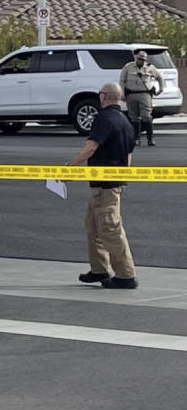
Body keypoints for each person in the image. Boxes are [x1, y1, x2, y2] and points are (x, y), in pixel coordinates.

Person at [68, 82, 137, 289]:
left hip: (106, 187)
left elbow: (91, 147)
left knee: (110, 228)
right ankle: (99, 269)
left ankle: (126, 275)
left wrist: (70, 168)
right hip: (108, 184)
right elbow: (128, 155)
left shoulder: (104, 118)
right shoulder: (125, 121)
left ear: (104, 96)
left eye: (100, 94)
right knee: (93, 226)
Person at [119, 50, 164, 146]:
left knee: (146, 116)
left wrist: (161, 89)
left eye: (143, 59)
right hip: (131, 94)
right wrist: (122, 93)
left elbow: (160, 77)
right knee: (134, 117)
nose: (141, 60)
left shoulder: (150, 67)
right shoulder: (128, 66)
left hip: (145, 94)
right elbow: (122, 80)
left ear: (145, 59)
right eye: (139, 58)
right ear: (136, 57)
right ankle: (136, 138)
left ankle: (150, 138)